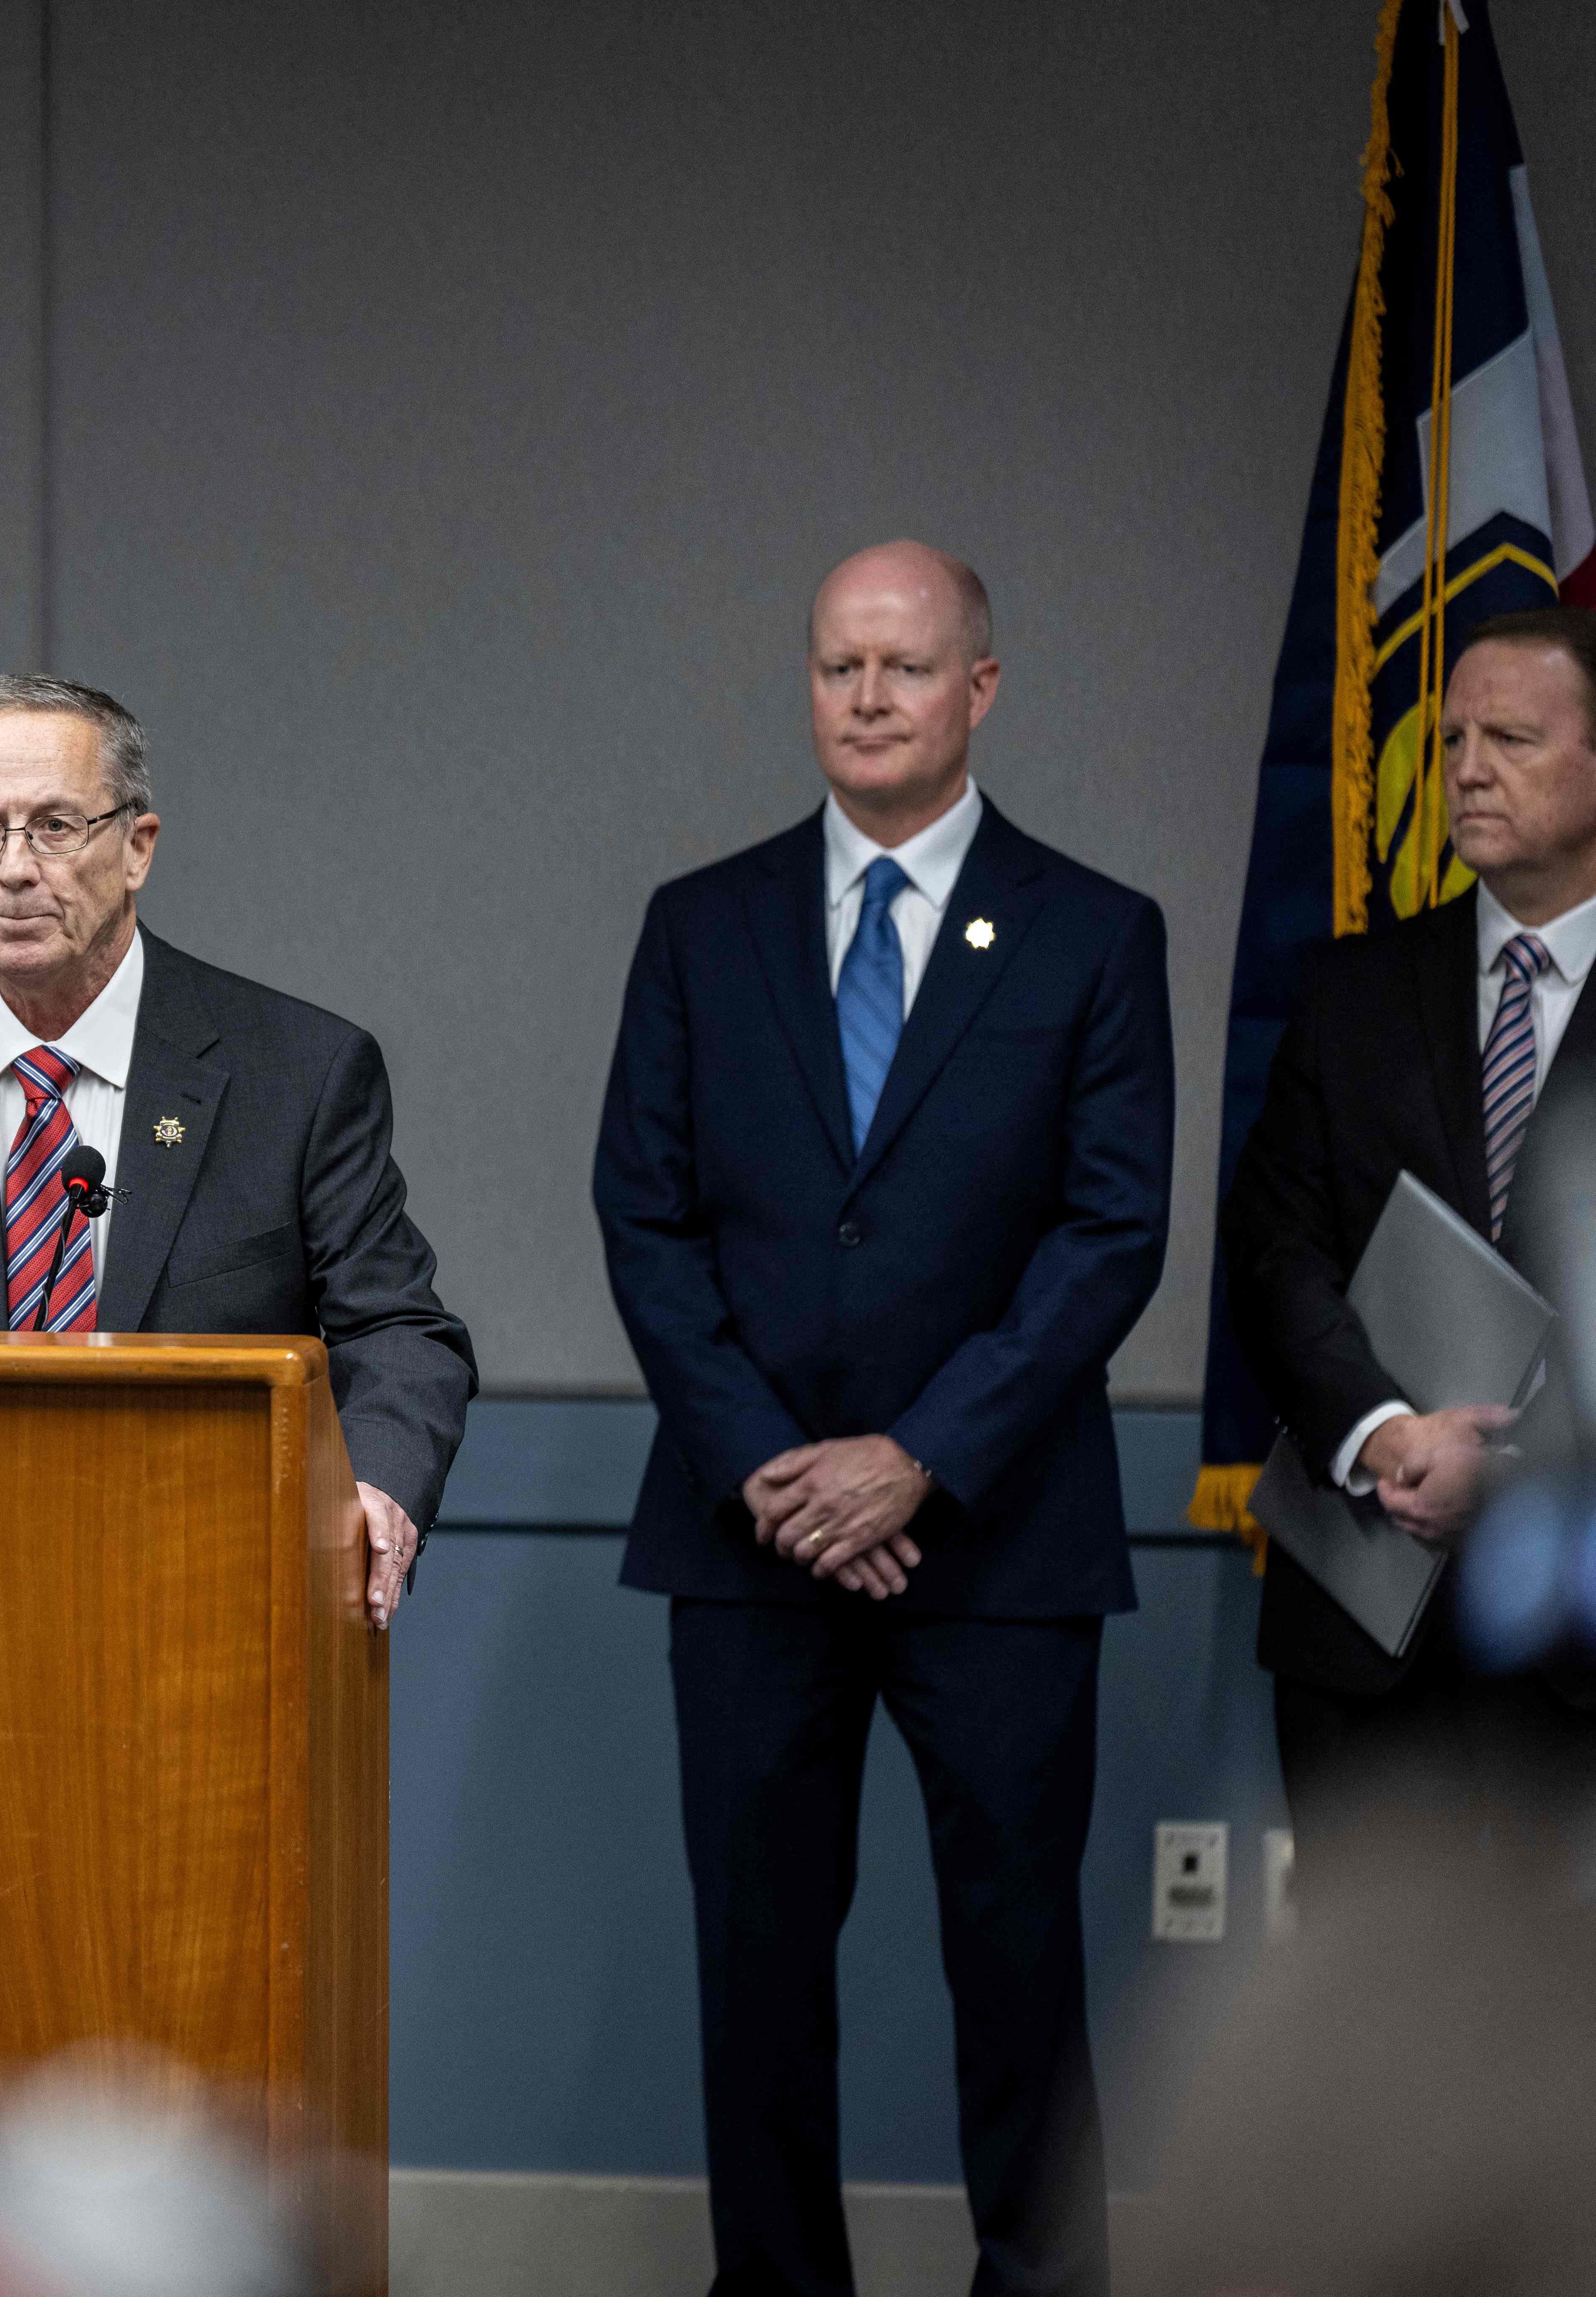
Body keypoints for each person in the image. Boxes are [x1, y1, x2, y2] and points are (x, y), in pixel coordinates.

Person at [591, 542, 1171, 2297]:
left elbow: (1110, 1229)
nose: (863, 698)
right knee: (755, 1970)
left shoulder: (1091, 930)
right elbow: (642, 1211)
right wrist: (769, 1463)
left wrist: (917, 1452)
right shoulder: (701, 923)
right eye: (836, 666)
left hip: (994, 1540)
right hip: (747, 1533)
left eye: (901, 669)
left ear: (976, 690)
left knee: (1013, 1968)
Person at [0, 673, 472, 1624]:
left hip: (199, 1602)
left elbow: (398, 1330)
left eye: (56, 826)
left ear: (137, 847)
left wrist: (377, 1493)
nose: (15, 867)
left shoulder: (297, 1072)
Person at [1221, 607, 1596, 1876]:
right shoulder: (1351, 991)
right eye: (1451, 741)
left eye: (1513, 738)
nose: (1470, 769)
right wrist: (1386, 1434)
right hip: (1365, 1632)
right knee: (1373, 2056)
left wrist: (1522, 1467)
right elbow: (1275, 1252)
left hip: (1575, 1634)